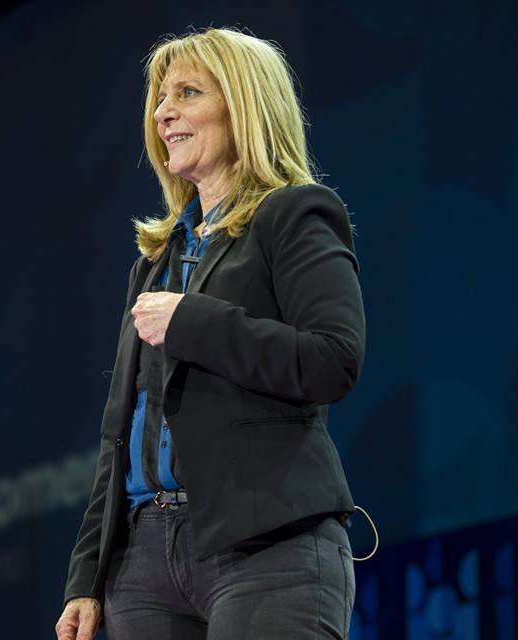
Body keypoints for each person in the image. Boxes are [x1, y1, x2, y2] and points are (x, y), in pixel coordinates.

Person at [54, 27, 365, 640]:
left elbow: (333, 359)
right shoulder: (155, 259)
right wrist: (86, 579)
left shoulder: (295, 213)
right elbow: (121, 430)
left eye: (187, 92)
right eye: (159, 100)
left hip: (266, 544)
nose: (164, 113)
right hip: (141, 563)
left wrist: (193, 322)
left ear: (244, 105)